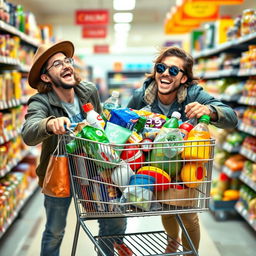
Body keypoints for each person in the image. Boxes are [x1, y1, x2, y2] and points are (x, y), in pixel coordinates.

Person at [21, 40, 132, 256]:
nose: (66, 65)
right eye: (57, 64)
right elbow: (28, 132)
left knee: (115, 221)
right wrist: (49, 124)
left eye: (67, 60)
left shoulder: (88, 90)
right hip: (60, 172)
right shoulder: (40, 102)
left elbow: (101, 127)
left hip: (93, 169)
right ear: (45, 77)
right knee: (55, 230)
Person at [127, 46, 238, 254]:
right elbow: (124, 122)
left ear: (184, 78)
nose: (166, 73)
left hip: (187, 163)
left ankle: (189, 253)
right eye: (161, 68)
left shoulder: (194, 94)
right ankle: (172, 241)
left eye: (174, 70)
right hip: (157, 165)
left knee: (187, 215)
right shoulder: (141, 96)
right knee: (167, 210)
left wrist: (210, 111)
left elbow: (232, 118)